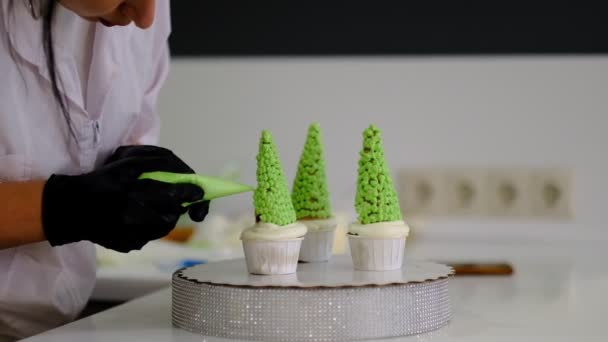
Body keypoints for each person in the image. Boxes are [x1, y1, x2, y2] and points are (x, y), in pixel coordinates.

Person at [0, 1, 209, 340]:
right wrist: (66, 207)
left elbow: (126, 134)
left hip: (63, 327)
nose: (146, 18)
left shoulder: (147, 12)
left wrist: (140, 177)